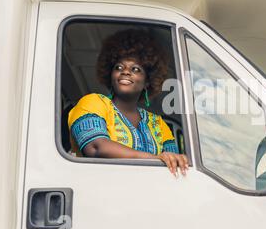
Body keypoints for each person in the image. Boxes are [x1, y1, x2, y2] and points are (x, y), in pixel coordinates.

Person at [68, 28, 188, 177]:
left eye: (136, 69)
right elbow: (95, 147)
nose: (126, 71)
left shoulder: (159, 124)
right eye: (119, 67)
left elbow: (172, 165)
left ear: (147, 82)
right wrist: (155, 158)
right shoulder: (93, 102)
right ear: (110, 75)